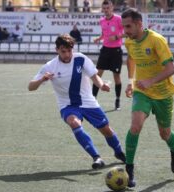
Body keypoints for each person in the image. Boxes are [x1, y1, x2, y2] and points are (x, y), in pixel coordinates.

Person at [28, 34, 126, 169]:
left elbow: (94, 76)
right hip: (68, 105)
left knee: (106, 130)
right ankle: (96, 157)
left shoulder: (81, 58)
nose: (67, 54)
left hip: (88, 102)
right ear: (57, 50)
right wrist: (41, 80)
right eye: (63, 51)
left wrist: (101, 85)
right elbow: (30, 87)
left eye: (69, 50)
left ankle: (119, 151)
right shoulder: (50, 66)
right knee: (74, 122)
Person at [121, 8, 174, 187]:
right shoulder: (129, 42)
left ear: (140, 24)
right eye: (124, 27)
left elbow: (171, 69)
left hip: (163, 94)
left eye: (129, 26)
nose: (126, 31)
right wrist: (131, 81)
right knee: (135, 126)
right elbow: (131, 59)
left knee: (165, 134)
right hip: (143, 92)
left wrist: (151, 81)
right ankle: (129, 170)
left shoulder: (157, 40)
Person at [93, 0, 124, 110]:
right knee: (97, 74)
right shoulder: (101, 20)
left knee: (116, 76)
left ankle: (117, 100)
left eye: (108, 8)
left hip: (116, 51)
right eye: (104, 8)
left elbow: (125, 32)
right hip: (105, 50)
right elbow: (104, 34)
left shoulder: (119, 19)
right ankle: (93, 99)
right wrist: (99, 38)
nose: (106, 10)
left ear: (112, 8)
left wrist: (116, 37)